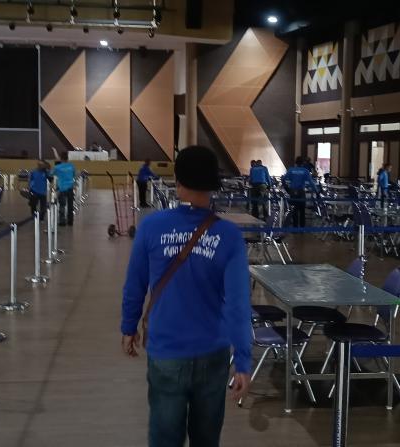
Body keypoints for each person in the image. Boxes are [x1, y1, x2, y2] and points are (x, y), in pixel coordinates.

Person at [121, 145, 251, 447]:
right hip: (213, 351)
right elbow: (238, 303)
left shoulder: (151, 227)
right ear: (213, 185)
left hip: (167, 350)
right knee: (206, 438)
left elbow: (135, 284)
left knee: (165, 437)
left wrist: (129, 327)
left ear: (178, 182)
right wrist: (243, 361)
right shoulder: (229, 236)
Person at [283, 157, 314, 227]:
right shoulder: (305, 171)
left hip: (293, 191)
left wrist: (287, 189)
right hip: (301, 191)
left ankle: (295, 227)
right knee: (302, 210)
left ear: (295, 162)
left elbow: (283, 179)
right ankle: (302, 227)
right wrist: (316, 191)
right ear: (302, 163)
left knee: (295, 210)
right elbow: (311, 183)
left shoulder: (291, 170)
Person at [53, 155, 77, 226]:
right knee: (70, 205)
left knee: (62, 205)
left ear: (61, 159)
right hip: (70, 187)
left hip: (62, 188)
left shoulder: (58, 167)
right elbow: (74, 175)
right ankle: (70, 221)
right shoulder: (71, 166)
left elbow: (51, 174)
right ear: (67, 159)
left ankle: (62, 221)